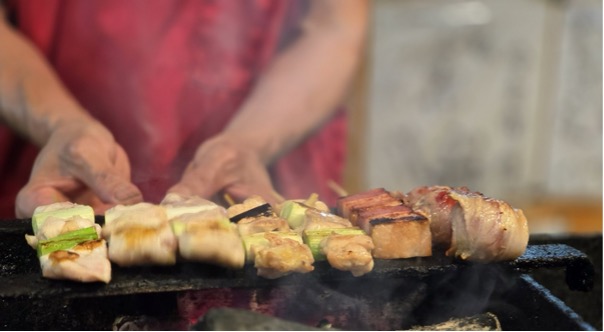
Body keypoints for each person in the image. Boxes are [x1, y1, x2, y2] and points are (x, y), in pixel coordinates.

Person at [0, 0, 369, 218]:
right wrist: (60, 125)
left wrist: (248, 143)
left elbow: (333, 28)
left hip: (263, 147)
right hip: (57, 156)